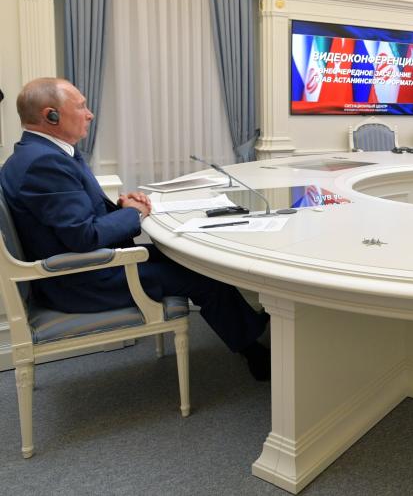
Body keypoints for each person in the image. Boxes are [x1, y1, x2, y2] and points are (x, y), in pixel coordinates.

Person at [0, 78, 270, 380]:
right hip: (82, 280)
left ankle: (251, 330)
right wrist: (135, 214)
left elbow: (74, 220)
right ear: (51, 115)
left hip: (86, 266)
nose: (89, 114)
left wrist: (122, 208)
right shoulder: (44, 163)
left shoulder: (38, 153)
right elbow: (84, 236)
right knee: (202, 277)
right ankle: (256, 352)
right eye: (81, 106)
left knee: (193, 261)